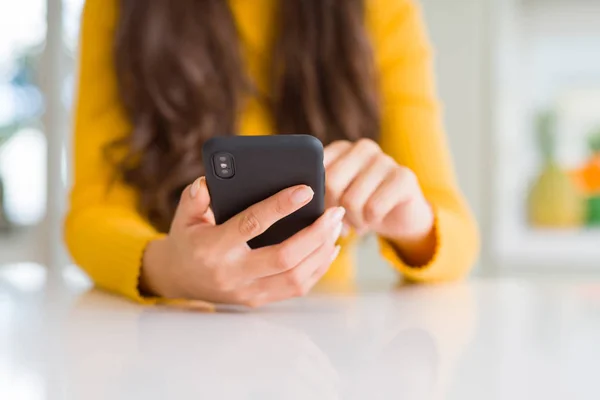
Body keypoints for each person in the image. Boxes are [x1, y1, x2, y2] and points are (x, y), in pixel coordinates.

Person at [65, 0, 479, 307]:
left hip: (326, 334)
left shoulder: (382, 8)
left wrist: (412, 220)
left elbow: (457, 233)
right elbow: (92, 213)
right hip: (174, 328)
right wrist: (169, 270)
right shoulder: (117, 7)